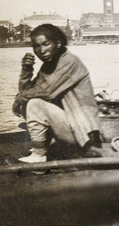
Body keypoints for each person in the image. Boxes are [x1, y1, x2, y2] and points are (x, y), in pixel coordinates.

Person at [12, 24, 102, 163]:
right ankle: (47, 144)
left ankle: (39, 155)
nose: (41, 50)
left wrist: (19, 99)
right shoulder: (48, 66)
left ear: (58, 43)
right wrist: (26, 70)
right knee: (29, 101)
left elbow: (47, 91)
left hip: (85, 134)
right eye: (36, 46)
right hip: (70, 127)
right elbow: (27, 91)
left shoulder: (70, 61)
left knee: (35, 104)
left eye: (46, 44)